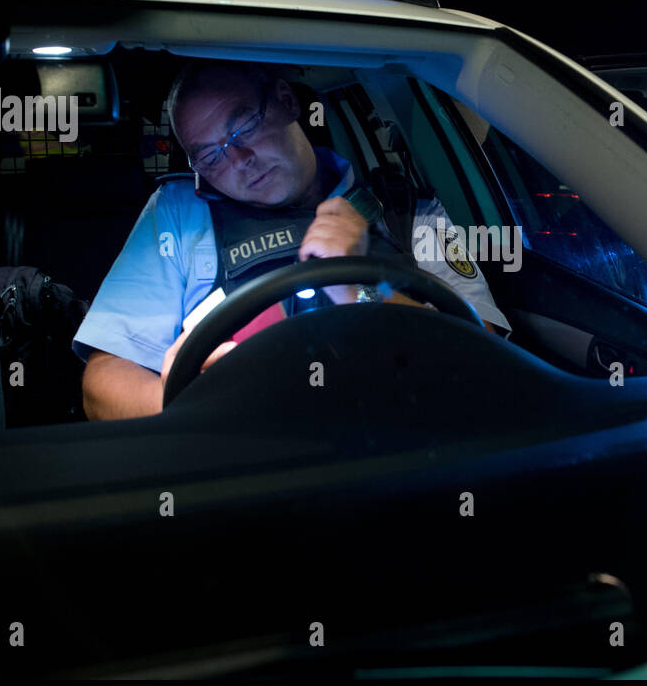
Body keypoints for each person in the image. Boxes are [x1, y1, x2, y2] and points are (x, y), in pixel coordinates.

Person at [73, 59, 511, 420]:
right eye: (210, 155)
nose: (240, 160)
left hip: (396, 449)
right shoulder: (179, 213)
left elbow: (487, 358)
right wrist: (179, 401)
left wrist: (360, 292)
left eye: (243, 127)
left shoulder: (406, 210)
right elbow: (103, 381)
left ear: (285, 101)